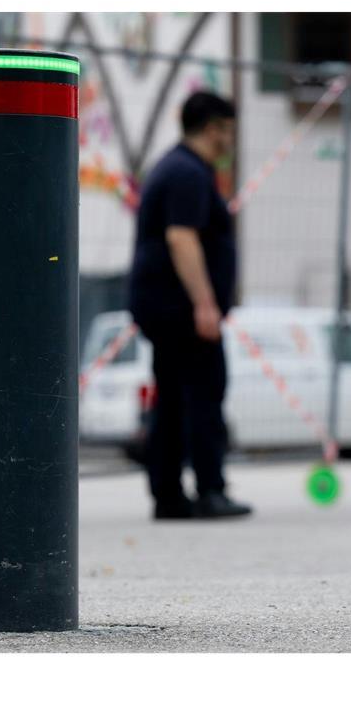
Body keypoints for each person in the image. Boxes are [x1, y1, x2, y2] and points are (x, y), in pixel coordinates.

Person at [127, 91, 253, 520]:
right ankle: (209, 489)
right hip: (180, 308)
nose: (229, 142)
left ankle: (168, 494)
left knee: (173, 398)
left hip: (164, 305)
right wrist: (205, 304)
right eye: (228, 131)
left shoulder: (174, 167)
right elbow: (182, 238)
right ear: (214, 128)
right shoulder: (188, 173)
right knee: (204, 391)